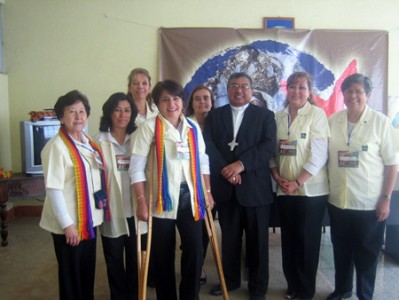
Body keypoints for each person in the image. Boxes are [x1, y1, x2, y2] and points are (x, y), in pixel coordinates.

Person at [129, 79, 214, 300]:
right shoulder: (148, 128)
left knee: (195, 251)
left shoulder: (192, 127)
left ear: (182, 101)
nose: (172, 104)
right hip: (160, 200)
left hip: (191, 198)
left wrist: (207, 191)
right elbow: (136, 168)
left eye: (176, 98)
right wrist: (140, 200)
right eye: (165, 99)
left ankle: (189, 295)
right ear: (157, 103)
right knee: (162, 255)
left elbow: (203, 160)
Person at [204, 72, 276, 300]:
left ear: (252, 91)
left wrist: (240, 165)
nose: (239, 90)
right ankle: (230, 281)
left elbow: (267, 147)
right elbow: (208, 146)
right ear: (227, 90)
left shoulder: (265, 116)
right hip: (226, 188)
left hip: (255, 189)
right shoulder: (215, 116)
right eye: (234, 85)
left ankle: (258, 288)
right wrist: (228, 169)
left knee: (258, 242)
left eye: (244, 86)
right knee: (230, 240)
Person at [327, 73, 398, 300]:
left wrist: (386, 198)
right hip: (339, 200)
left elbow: (392, 164)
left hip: (369, 203)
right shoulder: (334, 120)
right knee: (341, 250)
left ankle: (365, 294)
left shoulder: (381, 122)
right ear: (343, 94)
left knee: (367, 254)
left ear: (367, 94)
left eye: (359, 91)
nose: (353, 95)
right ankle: (342, 289)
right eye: (349, 91)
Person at [39, 90, 109, 300]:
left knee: (86, 272)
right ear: (61, 117)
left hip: (88, 222)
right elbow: (54, 189)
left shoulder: (88, 142)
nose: (78, 116)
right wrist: (67, 225)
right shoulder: (56, 147)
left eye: (82, 111)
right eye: (72, 112)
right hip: (69, 225)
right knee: (71, 276)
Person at [270, 72, 329, 300]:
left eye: (302, 87)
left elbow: (319, 156)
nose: (297, 91)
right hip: (284, 190)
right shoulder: (278, 116)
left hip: (310, 191)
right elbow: (271, 152)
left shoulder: (317, 115)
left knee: (307, 242)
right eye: (293, 86)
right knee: (289, 240)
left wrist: (297, 182)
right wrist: (277, 176)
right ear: (287, 90)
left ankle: (305, 290)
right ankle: (292, 284)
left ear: (309, 91)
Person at [96, 92, 140, 300]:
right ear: (108, 112)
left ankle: (133, 295)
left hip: (136, 207)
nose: (123, 115)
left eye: (127, 110)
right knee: (113, 258)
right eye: (117, 110)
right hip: (112, 209)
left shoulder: (139, 138)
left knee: (135, 258)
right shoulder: (98, 142)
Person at [185, 85, 215, 285]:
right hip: (194, 185)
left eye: (206, 98)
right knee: (198, 231)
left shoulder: (219, 123)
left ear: (212, 101)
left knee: (214, 228)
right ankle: (198, 265)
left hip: (218, 183)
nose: (202, 102)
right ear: (191, 103)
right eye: (197, 98)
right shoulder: (186, 124)